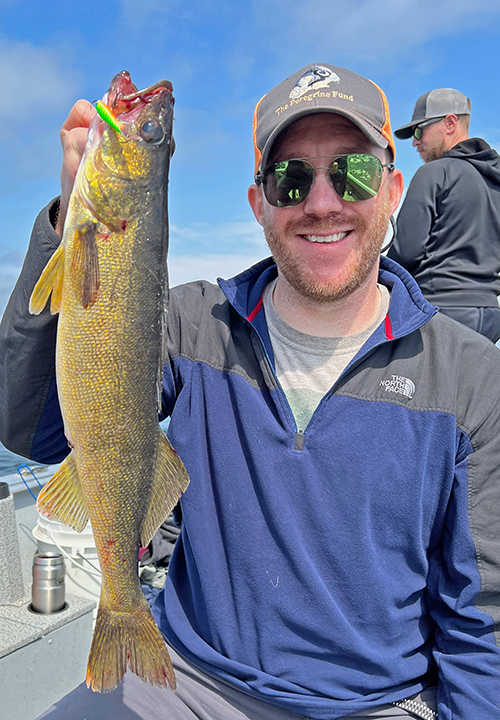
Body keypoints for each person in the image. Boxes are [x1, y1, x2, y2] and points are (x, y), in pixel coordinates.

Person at [0, 62, 499, 720]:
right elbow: (29, 424)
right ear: (258, 201)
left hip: (379, 702)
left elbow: (483, 624)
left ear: (392, 189)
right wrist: (71, 218)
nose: (321, 201)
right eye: (291, 178)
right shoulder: (189, 324)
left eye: (352, 171)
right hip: (184, 674)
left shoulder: (474, 378)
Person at [387, 88, 500, 343]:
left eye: (419, 131)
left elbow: (406, 252)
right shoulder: (496, 181)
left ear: (450, 123)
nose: (415, 141)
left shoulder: (434, 173)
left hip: (439, 311)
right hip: (491, 316)